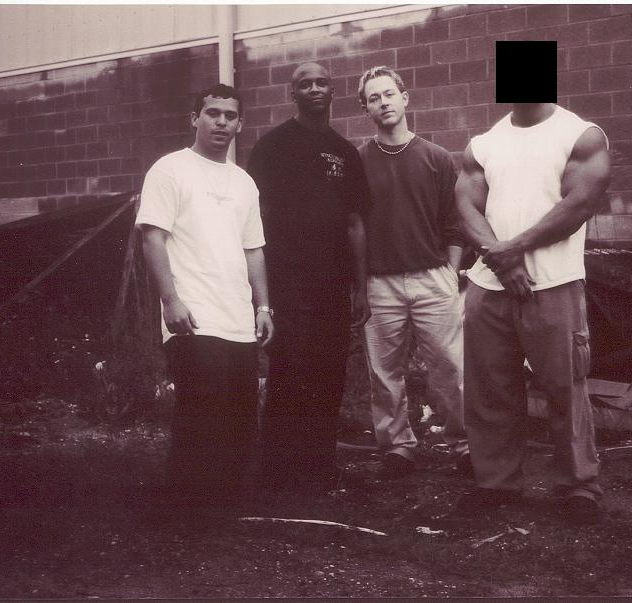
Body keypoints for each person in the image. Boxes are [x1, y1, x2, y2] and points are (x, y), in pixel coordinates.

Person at [455, 100, 611, 524]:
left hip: (554, 282)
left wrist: (513, 249)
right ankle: (496, 482)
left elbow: (580, 204)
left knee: (565, 389)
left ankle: (579, 486)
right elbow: (465, 206)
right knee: (490, 390)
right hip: (490, 285)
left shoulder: (580, 135)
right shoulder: (484, 144)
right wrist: (501, 261)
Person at [136, 83, 274, 505]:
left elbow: (253, 249)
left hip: (238, 318)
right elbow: (153, 238)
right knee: (202, 410)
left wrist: (263, 306)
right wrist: (170, 300)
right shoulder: (170, 169)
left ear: (240, 124)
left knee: (240, 414)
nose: (221, 122)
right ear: (194, 118)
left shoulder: (244, 182)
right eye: (212, 113)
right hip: (193, 315)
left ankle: (225, 505)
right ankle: (186, 506)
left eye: (230, 116)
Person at [246, 62, 370, 493]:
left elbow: (355, 223)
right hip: (286, 283)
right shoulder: (271, 147)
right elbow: (254, 221)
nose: (314, 89)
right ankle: (278, 472)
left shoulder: (345, 152)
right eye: (304, 84)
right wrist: (260, 290)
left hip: (332, 285)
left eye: (321, 82)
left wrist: (361, 288)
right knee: (290, 370)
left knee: (329, 373)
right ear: (292, 93)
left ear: (333, 92)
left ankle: (319, 467)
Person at [357, 66, 469, 479]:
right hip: (379, 282)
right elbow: (352, 226)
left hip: (433, 277)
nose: (383, 102)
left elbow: (454, 223)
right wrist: (359, 284)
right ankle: (397, 446)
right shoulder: (358, 162)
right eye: (373, 98)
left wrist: (451, 273)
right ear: (366, 109)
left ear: (405, 98)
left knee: (451, 368)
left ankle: (465, 444)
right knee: (384, 373)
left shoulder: (436, 157)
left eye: (389, 94)